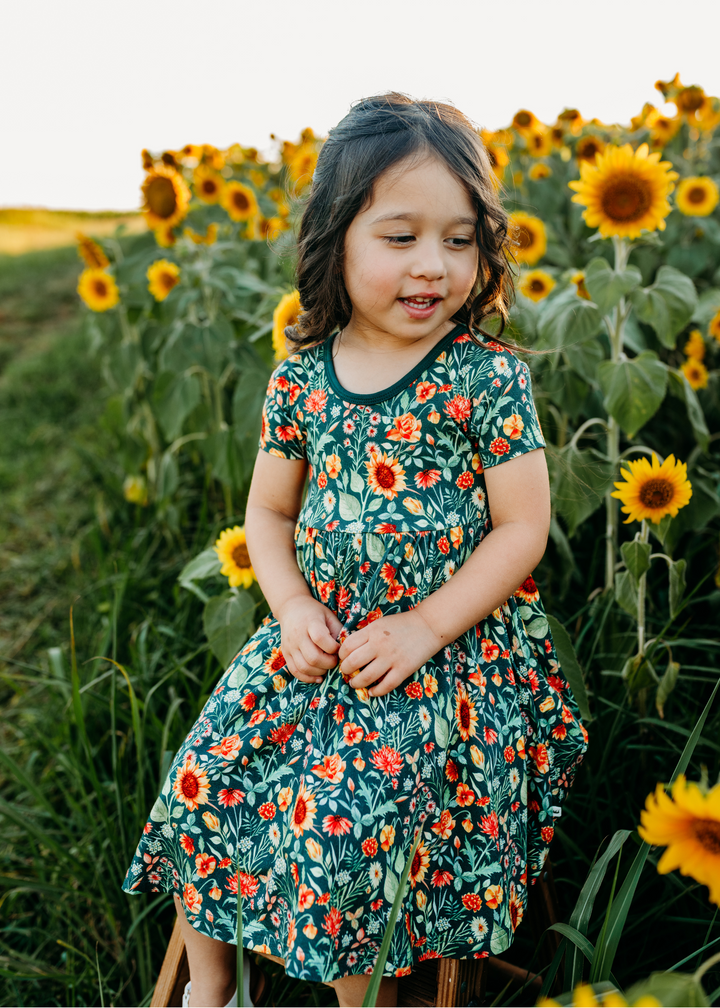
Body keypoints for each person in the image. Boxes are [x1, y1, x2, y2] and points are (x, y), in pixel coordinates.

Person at [123, 92, 588, 1008]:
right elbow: (268, 516)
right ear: (336, 239)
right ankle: (212, 989)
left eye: (460, 241)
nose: (434, 267)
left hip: (449, 659)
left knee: (340, 833)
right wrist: (291, 608)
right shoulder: (302, 375)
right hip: (318, 645)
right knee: (207, 785)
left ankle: (358, 994)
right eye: (401, 237)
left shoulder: (485, 377)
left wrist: (423, 625)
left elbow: (521, 529)